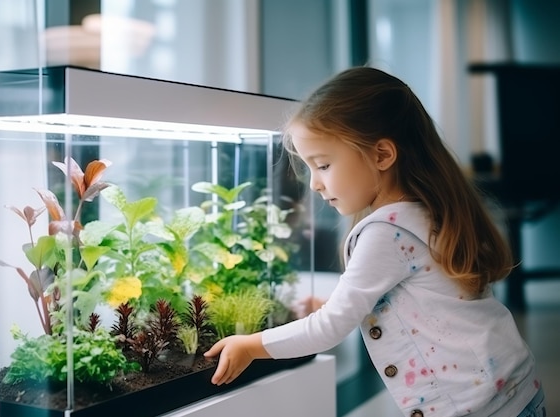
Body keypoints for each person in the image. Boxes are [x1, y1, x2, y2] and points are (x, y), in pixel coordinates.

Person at [204, 66, 546, 417]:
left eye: (322, 165)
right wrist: (334, 301)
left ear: (382, 155)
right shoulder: (428, 208)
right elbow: (420, 293)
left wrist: (252, 345)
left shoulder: (386, 232)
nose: (314, 184)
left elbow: (329, 328)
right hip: (516, 391)